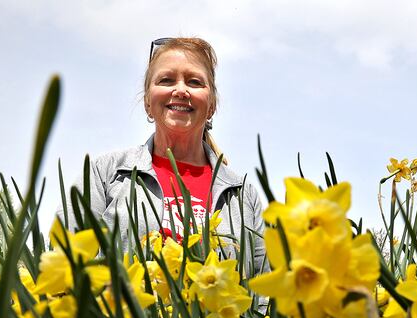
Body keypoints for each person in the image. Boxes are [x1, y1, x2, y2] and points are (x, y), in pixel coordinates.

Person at [58, 37, 268, 278]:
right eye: (166, 80)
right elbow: (66, 267)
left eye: (195, 82)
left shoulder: (241, 195)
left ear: (211, 106)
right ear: (148, 102)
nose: (180, 90)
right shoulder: (105, 174)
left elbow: (260, 294)